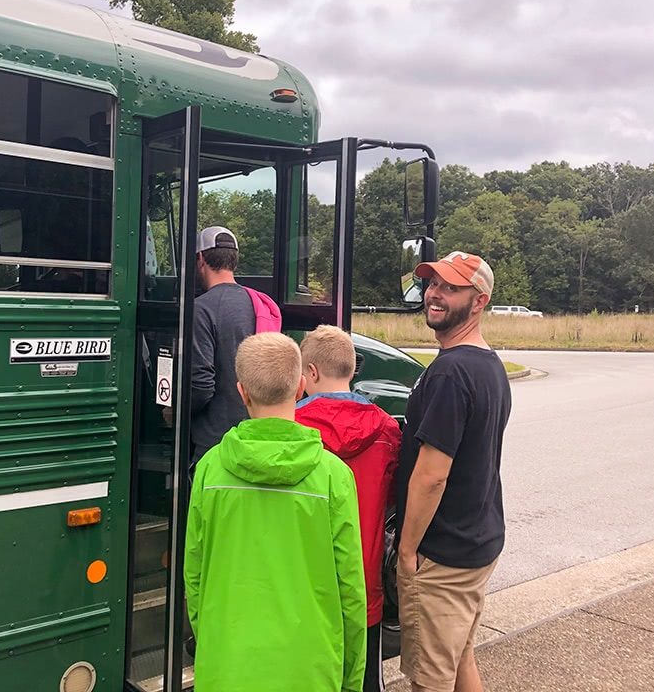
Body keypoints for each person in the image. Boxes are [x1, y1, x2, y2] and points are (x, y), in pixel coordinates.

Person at [184, 332, 367, 692]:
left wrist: (214, 643)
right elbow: (350, 590)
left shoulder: (209, 469)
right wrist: (350, 678)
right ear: (300, 387)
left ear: (242, 391)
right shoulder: (333, 476)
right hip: (310, 668)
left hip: (227, 666)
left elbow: (195, 575)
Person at [395, 252, 511, 692]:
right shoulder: (488, 364)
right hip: (477, 541)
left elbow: (432, 475)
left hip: (443, 555)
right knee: (461, 657)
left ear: (478, 301)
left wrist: (408, 551)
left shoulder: (451, 372)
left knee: (431, 678)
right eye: (431, 284)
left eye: (449, 287)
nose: (434, 294)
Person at [296, 324, 402, 692]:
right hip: (364, 583)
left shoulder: (291, 430)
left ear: (310, 372)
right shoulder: (387, 430)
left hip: (304, 586)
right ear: (353, 370)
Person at [189, 225, 280, 466]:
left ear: (200, 259)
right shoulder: (261, 304)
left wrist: (175, 412)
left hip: (215, 442)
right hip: (255, 435)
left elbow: (200, 385)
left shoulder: (201, 309)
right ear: (235, 261)